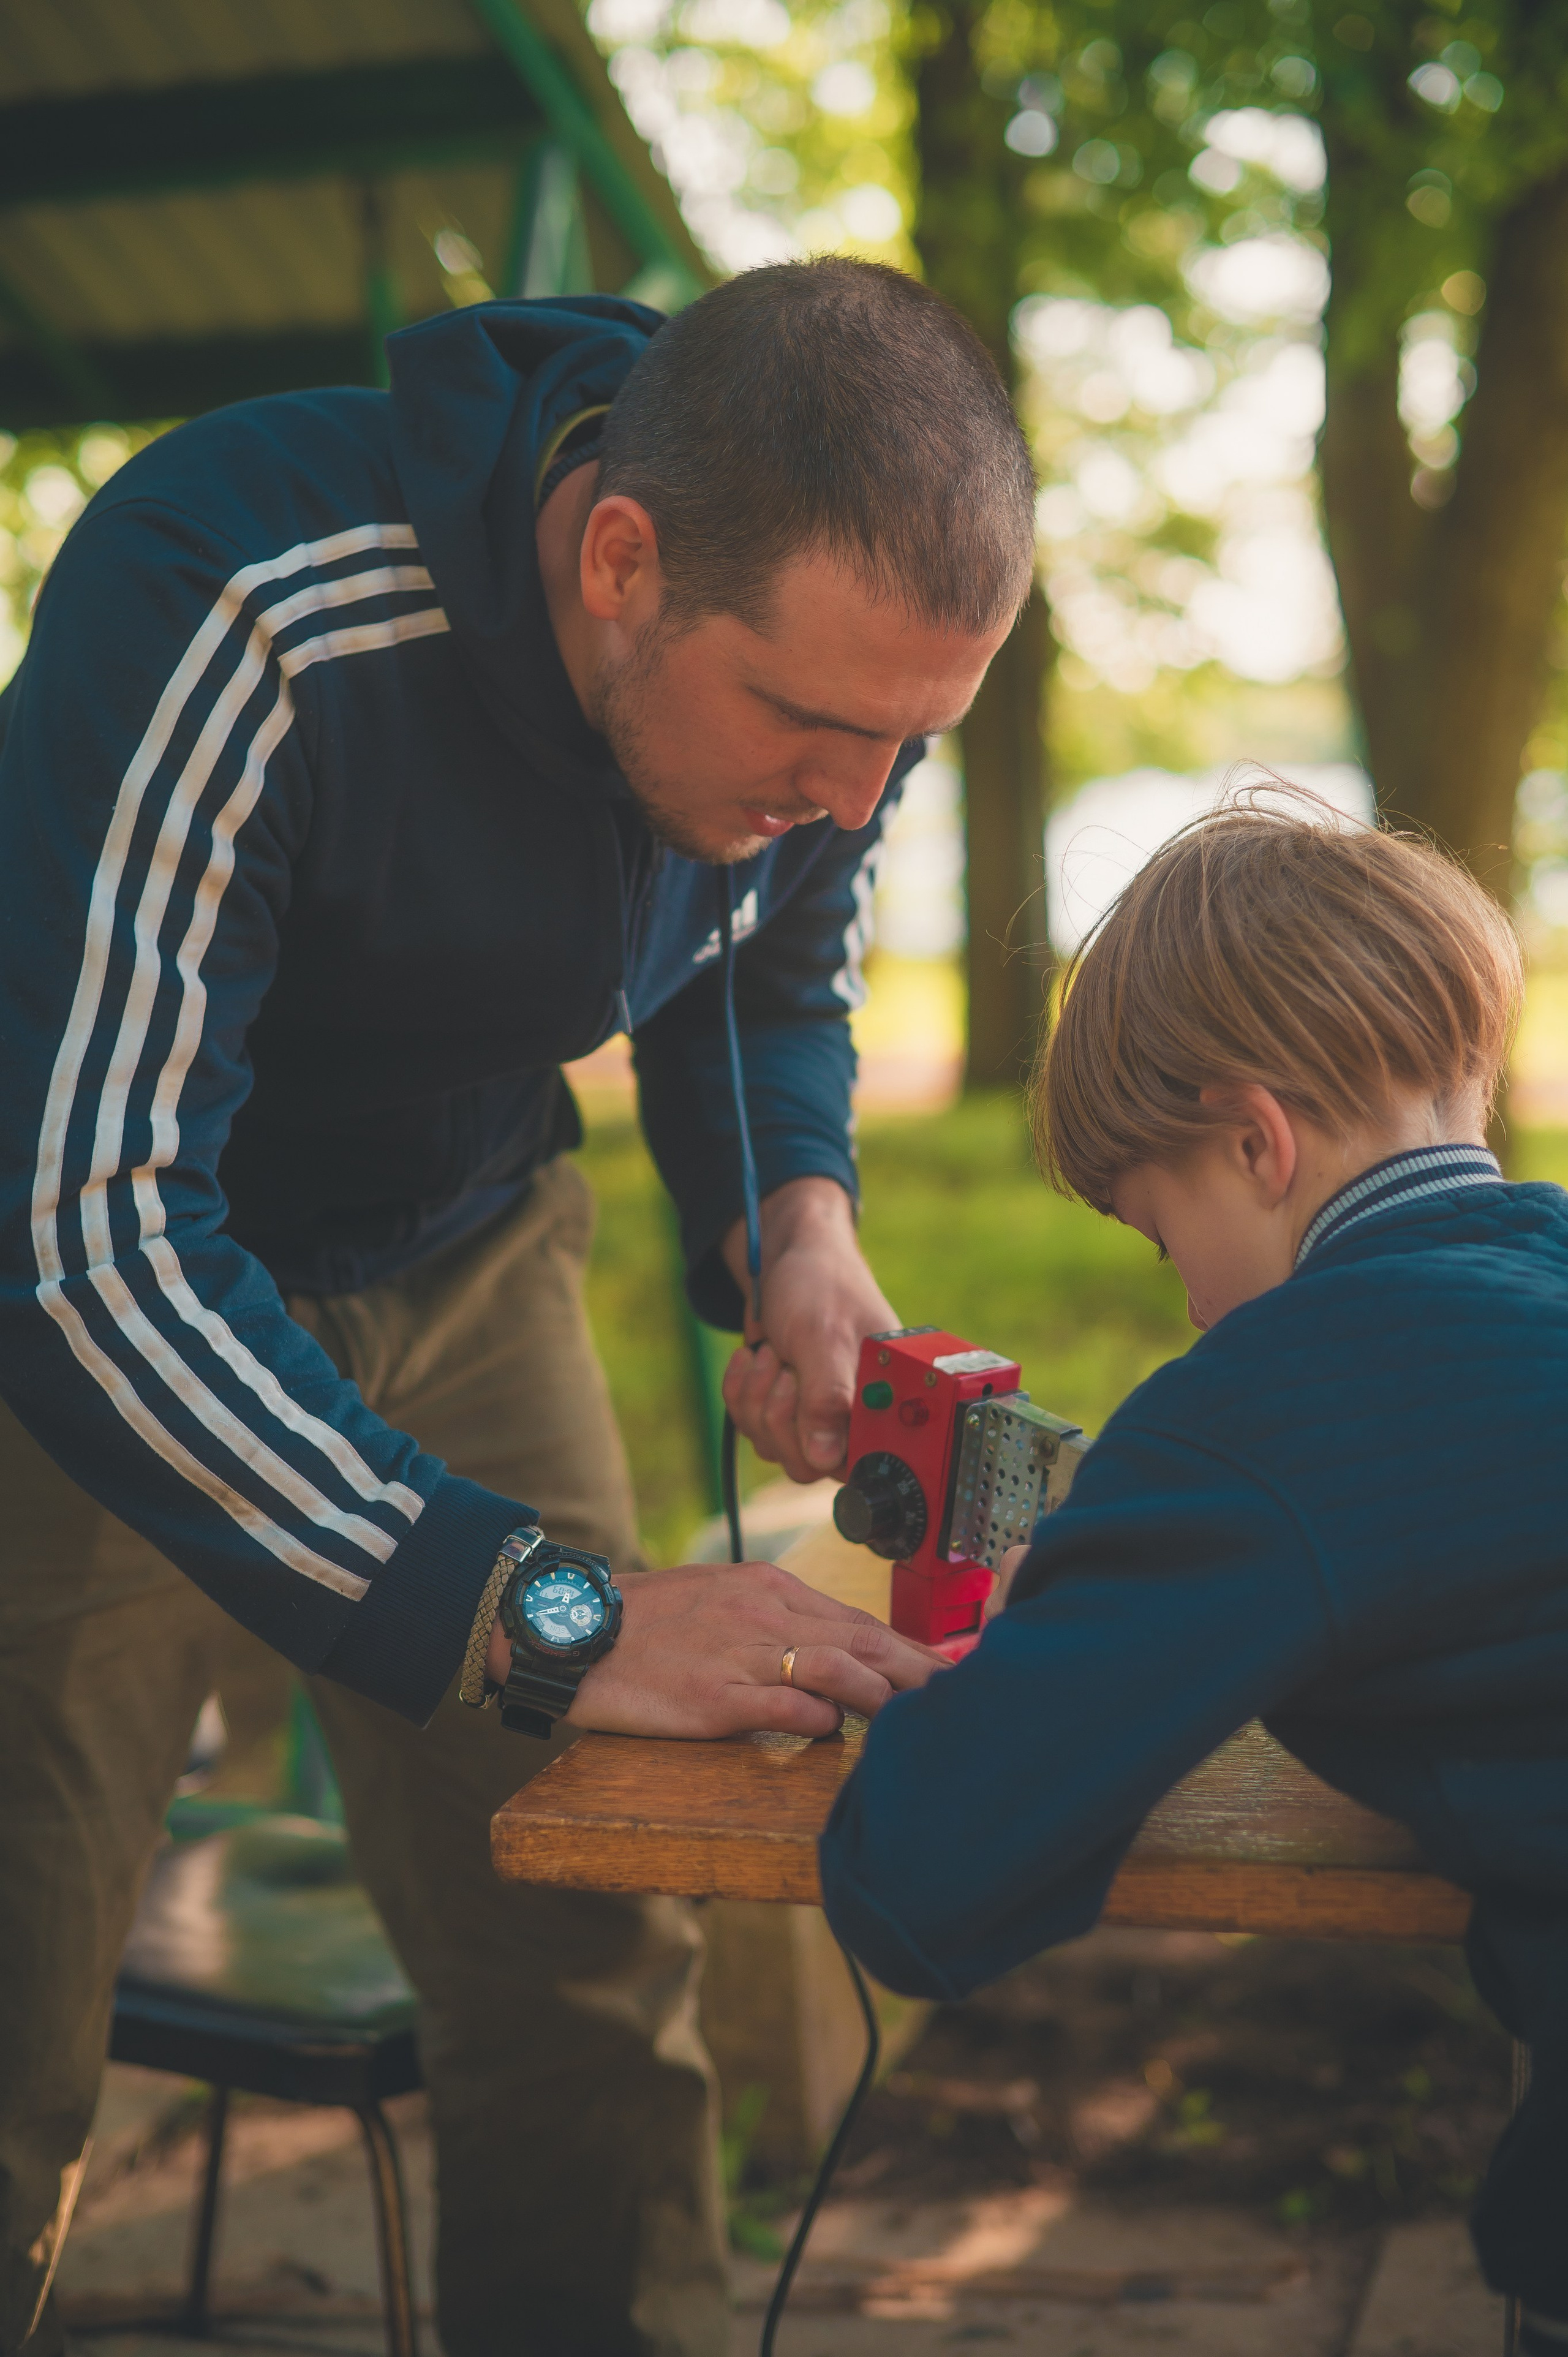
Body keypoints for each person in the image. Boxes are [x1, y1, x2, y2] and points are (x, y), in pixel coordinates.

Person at [0, 258, 1027, 2357]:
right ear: (622, 561)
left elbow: (768, 961)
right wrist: (557, 1609)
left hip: (469, 1250)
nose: (860, 794)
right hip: (88, 1332)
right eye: (821, 731)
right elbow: (88, 1228)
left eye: (913, 744)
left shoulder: (833, 671)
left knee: (578, 1962)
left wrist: (797, 1219)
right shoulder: (237, 602)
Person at [820, 798, 1568, 2348]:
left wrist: (1043, 1643)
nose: (1187, 1311)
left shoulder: (1269, 1397)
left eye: (1164, 1238)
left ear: (1254, 1138)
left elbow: (919, 1879)